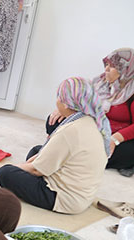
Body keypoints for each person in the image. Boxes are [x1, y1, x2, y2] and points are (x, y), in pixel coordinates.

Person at [0, 77, 110, 214]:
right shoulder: (94, 120)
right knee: (37, 150)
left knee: (5, 172)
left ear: (67, 104)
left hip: (65, 199)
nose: (56, 102)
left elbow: (36, 171)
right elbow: (45, 152)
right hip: (84, 195)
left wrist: (16, 168)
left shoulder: (70, 130)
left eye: (59, 98)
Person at [47, 48, 134, 177]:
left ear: (125, 70)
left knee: (129, 151)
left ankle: (76, 154)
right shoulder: (100, 83)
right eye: (107, 65)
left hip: (118, 135)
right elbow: (80, 101)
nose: (106, 69)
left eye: (113, 67)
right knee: (53, 121)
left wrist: (115, 139)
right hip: (94, 128)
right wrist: (63, 109)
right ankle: (87, 155)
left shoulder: (131, 93)